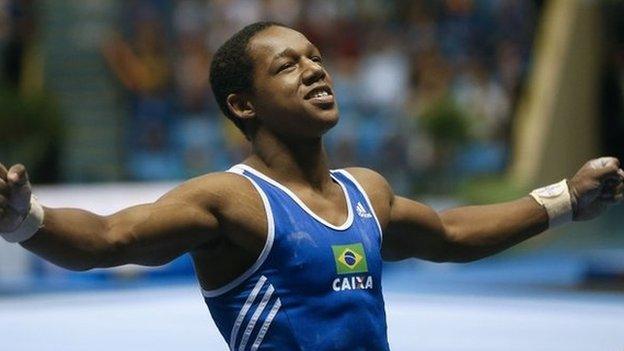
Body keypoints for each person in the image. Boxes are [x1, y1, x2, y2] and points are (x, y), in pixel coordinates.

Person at [1, 22, 623, 350]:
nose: (315, 69)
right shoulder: (230, 202)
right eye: (287, 64)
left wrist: (564, 199)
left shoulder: (366, 192)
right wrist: (25, 220)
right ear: (244, 105)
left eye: (315, 56)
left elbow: (451, 233)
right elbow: (111, 238)